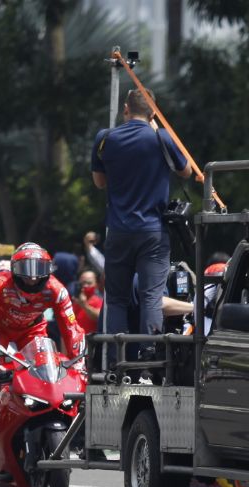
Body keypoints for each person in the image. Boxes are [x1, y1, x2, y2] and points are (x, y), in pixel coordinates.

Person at [0, 243, 85, 457]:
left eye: (39, 270)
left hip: (32, 332)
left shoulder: (57, 290)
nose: (33, 278)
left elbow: (71, 327)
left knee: (48, 376)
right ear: (14, 269)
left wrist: (79, 362)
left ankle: (42, 419)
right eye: (26, 271)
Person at [91, 87, 192, 349]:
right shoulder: (161, 137)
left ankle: (117, 362)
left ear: (126, 109)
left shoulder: (105, 138)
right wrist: (158, 129)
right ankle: (149, 362)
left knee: (116, 299)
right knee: (151, 297)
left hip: (119, 230)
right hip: (153, 232)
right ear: (153, 112)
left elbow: (99, 182)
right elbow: (186, 172)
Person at [74, 269, 104, 335]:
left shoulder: (99, 301)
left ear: (96, 284)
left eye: (89, 283)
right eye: (82, 283)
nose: (85, 286)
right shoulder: (74, 302)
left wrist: (84, 305)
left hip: (92, 342)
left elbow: (98, 317)